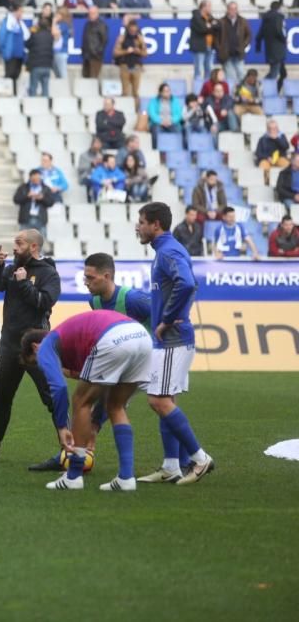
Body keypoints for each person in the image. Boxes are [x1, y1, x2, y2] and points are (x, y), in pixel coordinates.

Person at [28, 251, 154, 472]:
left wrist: (159, 346)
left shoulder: (133, 298)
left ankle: (74, 467)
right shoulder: (94, 301)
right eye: (84, 277)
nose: (85, 282)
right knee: (111, 404)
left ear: (107, 276)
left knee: (158, 403)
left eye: (90, 278)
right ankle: (118, 471)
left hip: (145, 353)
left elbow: (160, 315)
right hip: (124, 351)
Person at [22, 310, 148, 492]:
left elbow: (59, 387)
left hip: (114, 337)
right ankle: (126, 478)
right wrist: (94, 426)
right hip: (141, 336)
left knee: (80, 400)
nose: (42, 366)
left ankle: (73, 476)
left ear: (35, 347)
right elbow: (105, 389)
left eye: (37, 363)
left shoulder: (46, 344)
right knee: (116, 405)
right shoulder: (77, 343)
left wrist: (62, 427)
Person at [135, 202, 216, 485]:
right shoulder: (164, 251)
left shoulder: (169, 251)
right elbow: (187, 285)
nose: (138, 226)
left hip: (173, 340)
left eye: (142, 222)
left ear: (156, 224)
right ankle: (171, 466)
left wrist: (168, 319)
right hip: (170, 340)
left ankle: (200, 458)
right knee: (165, 399)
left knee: (157, 400)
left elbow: (188, 283)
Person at [0, 229, 60, 465]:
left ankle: (70, 449)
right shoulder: (13, 268)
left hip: (37, 347)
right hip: (9, 345)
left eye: (19, 243)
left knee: (52, 398)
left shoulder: (49, 273)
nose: (14, 248)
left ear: (34, 247)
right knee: (2, 399)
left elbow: (44, 302)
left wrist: (24, 283)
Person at [0, 5, 28, 95]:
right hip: (10, 54)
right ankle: (5, 94)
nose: (22, 14)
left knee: (16, 75)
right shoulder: (7, 22)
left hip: (19, 55)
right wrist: (3, 51)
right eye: (21, 11)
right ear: (16, 12)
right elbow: (1, 37)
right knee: (9, 75)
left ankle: (13, 94)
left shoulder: (20, 24)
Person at [113, 21, 147, 105]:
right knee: (125, 92)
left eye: (134, 30)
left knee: (135, 92)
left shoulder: (140, 39)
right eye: (131, 30)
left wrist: (138, 51)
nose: (133, 32)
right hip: (124, 66)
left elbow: (145, 53)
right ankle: (125, 109)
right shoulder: (122, 38)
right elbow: (115, 52)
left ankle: (136, 110)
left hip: (136, 66)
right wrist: (126, 51)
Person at [256, 1, 287, 91]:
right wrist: (284, 40)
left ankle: (274, 90)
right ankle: (265, 89)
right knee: (274, 73)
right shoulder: (278, 17)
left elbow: (260, 34)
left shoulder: (266, 18)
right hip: (278, 51)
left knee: (282, 73)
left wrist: (258, 46)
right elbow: (279, 30)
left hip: (270, 50)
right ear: (279, 8)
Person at [217, 2, 251, 84]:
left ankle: (242, 94)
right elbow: (217, 37)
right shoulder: (221, 21)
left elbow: (248, 35)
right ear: (227, 10)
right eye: (231, 9)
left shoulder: (243, 21)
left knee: (242, 75)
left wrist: (243, 45)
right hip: (226, 54)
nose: (233, 11)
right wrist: (220, 48)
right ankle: (231, 94)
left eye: (235, 9)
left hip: (238, 53)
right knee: (230, 76)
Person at [14, 170, 55, 236]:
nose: (37, 180)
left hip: (40, 219)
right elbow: (16, 200)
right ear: (30, 178)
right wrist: (27, 196)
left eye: (38, 179)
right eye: (34, 179)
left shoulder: (46, 188)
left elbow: (51, 202)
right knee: (24, 243)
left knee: (39, 243)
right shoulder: (23, 187)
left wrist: (42, 198)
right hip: (26, 219)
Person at [147, 83, 184, 147]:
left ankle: (178, 150)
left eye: (169, 91)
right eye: (165, 91)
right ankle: (157, 151)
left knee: (179, 130)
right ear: (161, 93)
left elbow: (179, 114)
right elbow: (152, 114)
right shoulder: (153, 101)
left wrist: (171, 121)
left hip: (172, 123)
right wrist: (161, 122)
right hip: (158, 123)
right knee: (156, 131)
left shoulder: (175, 101)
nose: (168, 93)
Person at [25, 20, 54, 98]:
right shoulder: (50, 36)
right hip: (47, 65)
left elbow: (27, 44)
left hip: (36, 65)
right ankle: (45, 107)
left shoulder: (35, 35)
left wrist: (31, 32)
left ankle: (33, 107)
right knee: (45, 89)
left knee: (33, 88)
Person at [81, 6, 108, 79]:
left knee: (93, 78)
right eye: (89, 13)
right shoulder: (87, 24)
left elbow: (104, 40)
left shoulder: (101, 25)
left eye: (93, 13)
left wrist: (97, 52)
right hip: (86, 56)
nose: (91, 15)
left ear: (97, 14)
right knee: (85, 77)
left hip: (95, 57)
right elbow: (85, 39)